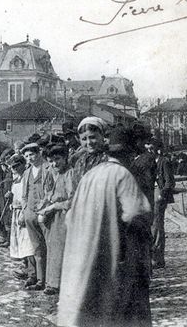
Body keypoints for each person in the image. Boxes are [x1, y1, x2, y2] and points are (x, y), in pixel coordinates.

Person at [58, 126, 152, 327]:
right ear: (129, 154)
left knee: (89, 305)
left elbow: (69, 218)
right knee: (117, 310)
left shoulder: (89, 176)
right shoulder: (122, 175)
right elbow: (136, 213)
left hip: (83, 254)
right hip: (113, 254)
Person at [38, 145, 74, 296]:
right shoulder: (55, 173)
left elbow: (72, 200)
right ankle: (51, 281)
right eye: (51, 161)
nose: (54, 164)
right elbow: (50, 193)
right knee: (52, 248)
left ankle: (56, 284)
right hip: (53, 216)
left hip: (64, 215)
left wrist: (53, 207)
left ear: (65, 158)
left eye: (57, 159)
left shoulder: (69, 174)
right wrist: (44, 204)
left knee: (59, 249)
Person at [19, 142, 50, 291]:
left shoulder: (48, 168)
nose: (29, 158)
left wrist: (44, 207)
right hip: (30, 213)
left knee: (49, 247)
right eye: (26, 156)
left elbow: (51, 190)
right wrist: (26, 210)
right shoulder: (27, 173)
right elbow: (23, 195)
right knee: (36, 248)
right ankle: (39, 280)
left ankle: (49, 281)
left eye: (31, 154)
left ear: (38, 153)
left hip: (46, 213)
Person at [7, 155, 35, 281]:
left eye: (16, 166)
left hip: (23, 212)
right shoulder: (17, 178)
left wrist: (23, 212)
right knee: (18, 239)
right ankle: (24, 265)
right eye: (12, 167)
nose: (13, 169)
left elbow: (27, 196)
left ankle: (31, 270)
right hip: (15, 212)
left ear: (23, 164)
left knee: (26, 240)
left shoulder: (26, 177)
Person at [151, 139, 175, 269]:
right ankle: (154, 256)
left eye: (152, 147)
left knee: (157, 225)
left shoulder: (164, 161)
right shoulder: (149, 162)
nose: (149, 150)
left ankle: (158, 258)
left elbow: (169, 182)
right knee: (153, 226)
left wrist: (162, 194)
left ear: (157, 149)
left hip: (159, 194)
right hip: (151, 193)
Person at [72, 116, 109, 187]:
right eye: (84, 139)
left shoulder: (108, 159)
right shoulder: (80, 162)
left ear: (102, 136)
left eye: (92, 137)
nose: (89, 142)